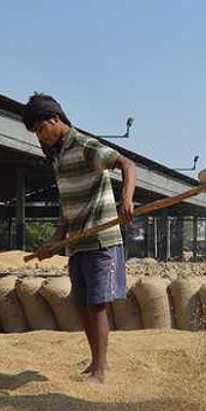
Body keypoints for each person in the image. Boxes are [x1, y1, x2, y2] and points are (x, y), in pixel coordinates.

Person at [22, 93, 136, 384]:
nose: (39, 137)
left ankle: (101, 369)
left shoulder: (84, 146)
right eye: (35, 133)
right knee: (83, 304)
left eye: (40, 130)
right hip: (77, 243)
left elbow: (127, 164)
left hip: (101, 241)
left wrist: (126, 198)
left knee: (97, 304)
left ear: (54, 119)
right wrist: (55, 241)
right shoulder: (58, 157)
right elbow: (67, 207)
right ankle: (94, 362)